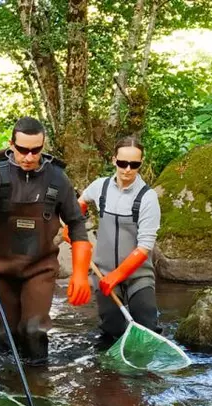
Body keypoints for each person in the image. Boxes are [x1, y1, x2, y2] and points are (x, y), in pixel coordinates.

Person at [0, 117, 92, 364]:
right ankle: (8, 386)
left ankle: (39, 386)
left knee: (33, 332)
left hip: (40, 269)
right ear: (11, 144)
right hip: (0, 271)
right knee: (3, 336)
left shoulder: (57, 179)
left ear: (43, 146)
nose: (29, 157)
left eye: (36, 150)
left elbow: (76, 224)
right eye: (22, 150)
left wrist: (80, 274)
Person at [79, 136, 160, 341]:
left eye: (134, 165)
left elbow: (144, 248)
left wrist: (117, 276)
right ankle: (110, 373)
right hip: (103, 273)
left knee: (148, 328)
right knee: (111, 330)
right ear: (114, 160)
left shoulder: (148, 197)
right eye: (123, 163)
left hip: (138, 277)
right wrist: (73, 226)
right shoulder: (100, 187)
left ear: (141, 163)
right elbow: (80, 203)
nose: (127, 169)